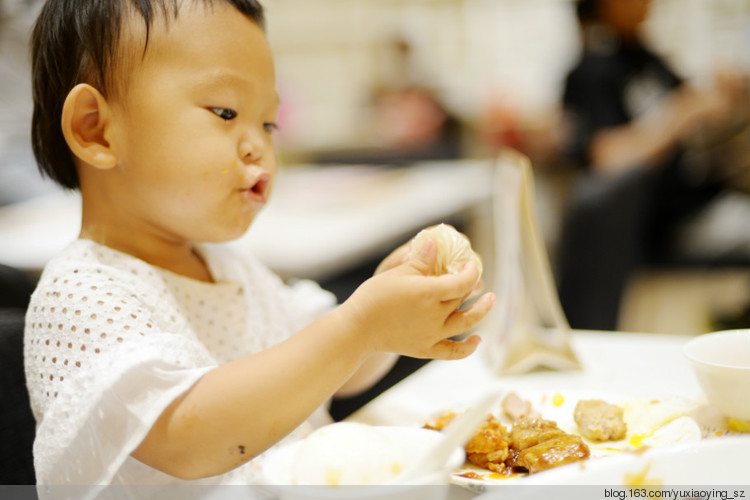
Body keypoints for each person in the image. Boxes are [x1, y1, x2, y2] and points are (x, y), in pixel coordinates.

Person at [23, 0, 496, 491]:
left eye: (268, 124)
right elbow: (190, 437)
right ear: (95, 128)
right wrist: (359, 327)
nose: (258, 147)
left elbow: (333, 370)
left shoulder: (229, 268)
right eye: (225, 112)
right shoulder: (80, 298)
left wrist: (383, 311)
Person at [555, 0, 749, 330]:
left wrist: (727, 97)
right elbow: (607, 157)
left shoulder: (647, 58)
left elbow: (695, 107)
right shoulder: (591, 71)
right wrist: (680, 114)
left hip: (701, 201)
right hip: (660, 224)